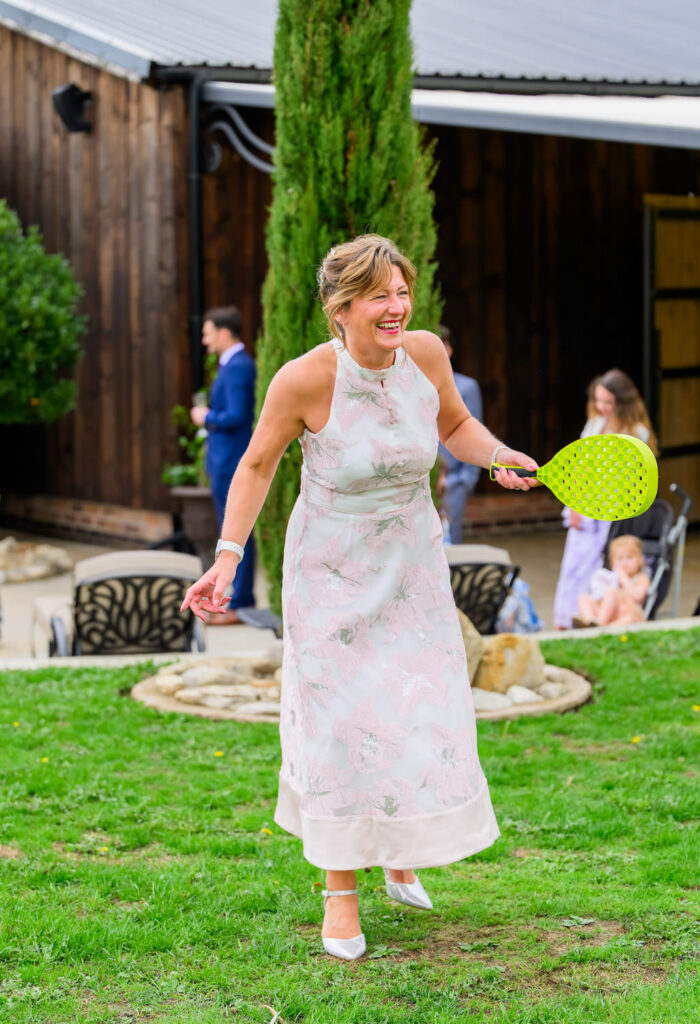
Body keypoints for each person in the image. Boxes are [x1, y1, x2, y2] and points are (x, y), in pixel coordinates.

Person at [181, 235, 538, 961]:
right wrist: (226, 557)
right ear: (340, 308)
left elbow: (454, 426)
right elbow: (256, 466)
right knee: (341, 726)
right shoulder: (304, 380)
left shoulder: (425, 355)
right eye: (380, 296)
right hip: (331, 575)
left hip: (412, 567)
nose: (397, 307)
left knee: (414, 713)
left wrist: (497, 454)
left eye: (402, 292)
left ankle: (399, 851)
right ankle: (339, 894)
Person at [552, 369, 658, 630]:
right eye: (598, 401)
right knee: (572, 565)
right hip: (583, 505)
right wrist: (574, 503)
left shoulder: (637, 432)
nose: (602, 407)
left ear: (623, 402)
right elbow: (579, 464)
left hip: (610, 511)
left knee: (596, 567)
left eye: (608, 402)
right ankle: (565, 621)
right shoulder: (595, 423)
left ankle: (596, 618)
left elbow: (630, 477)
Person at [190, 306, 256, 623]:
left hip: (232, 462)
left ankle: (240, 603)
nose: (205, 341)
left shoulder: (239, 366)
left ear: (224, 332)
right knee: (230, 531)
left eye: (208, 333)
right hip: (223, 460)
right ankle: (236, 599)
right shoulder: (231, 364)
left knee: (235, 532)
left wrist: (206, 417)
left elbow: (237, 415)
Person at [437, 325, 483, 543]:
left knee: (449, 542)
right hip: (422, 479)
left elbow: (475, 433)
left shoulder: (467, 387)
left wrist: (465, 481)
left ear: (449, 350)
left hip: (453, 481)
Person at [576, 535, 649, 627]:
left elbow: (637, 597)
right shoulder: (610, 577)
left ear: (640, 560)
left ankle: (600, 624)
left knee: (612, 591)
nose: (624, 563)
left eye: (629, 558)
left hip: (627, 613)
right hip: (609, 614)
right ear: (612, 562)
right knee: (583, 597)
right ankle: (590, 620)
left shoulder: (641, 578)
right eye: (620, 559)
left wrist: (623, 578)